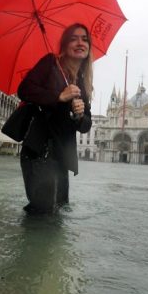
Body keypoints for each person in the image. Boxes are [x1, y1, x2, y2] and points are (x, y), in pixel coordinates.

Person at [17, 23, 93, 214]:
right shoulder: (51, 63)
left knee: (58, 211)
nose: (80, 42)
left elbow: (85, 126)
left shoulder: (83, 84)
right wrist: (58, 97)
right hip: (40, 150)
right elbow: (24, 90)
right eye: (74, 38)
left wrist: (79, 115)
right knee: (42, 213)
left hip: (62, 154)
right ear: (65, 44)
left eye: (84, 39)